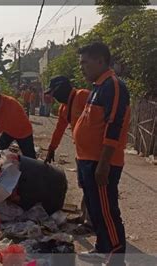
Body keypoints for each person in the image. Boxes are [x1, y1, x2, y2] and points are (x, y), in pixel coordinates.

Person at [74, 42, 129, 266]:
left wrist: (104, 163)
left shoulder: (113, 86)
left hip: (102, 162)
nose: (81, 68)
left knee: (107, 211)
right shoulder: (97, 86)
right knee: (95, 209)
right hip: (88, 160)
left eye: (84, 63)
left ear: (100, 61)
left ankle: (116, 258)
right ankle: (102, 247)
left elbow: (113, 126)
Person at [43, 76, 92, 230]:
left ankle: (91, 222)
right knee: (85, 185)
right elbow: (59, 129)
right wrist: (51, 148)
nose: (54, 97)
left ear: (62, 88)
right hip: (81, 152)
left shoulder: (83, 96)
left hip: (94, 151)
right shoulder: (64, 108)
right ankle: (84, 215)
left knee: (93, 186)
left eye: (55, 93)